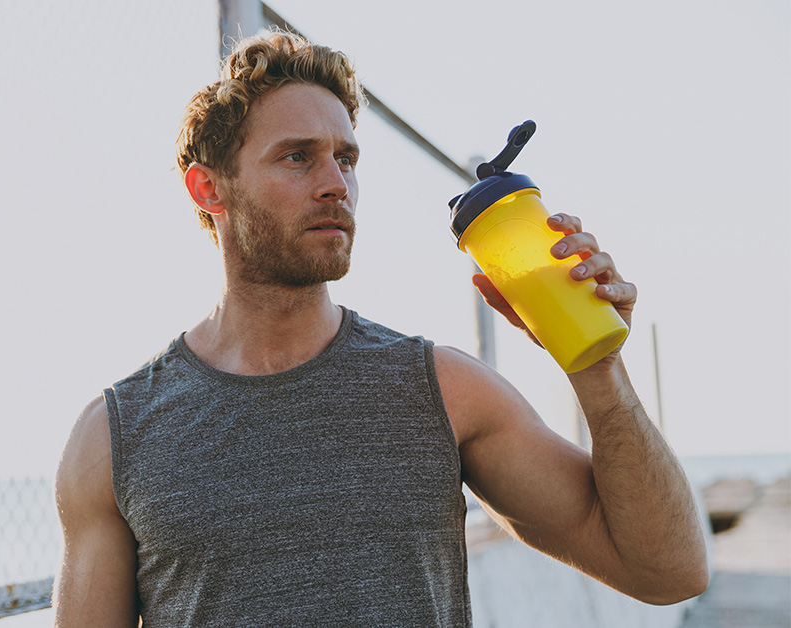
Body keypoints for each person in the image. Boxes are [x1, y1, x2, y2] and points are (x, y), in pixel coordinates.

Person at [52, 31, 708, 627]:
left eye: (346, 158)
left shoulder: (443, 391)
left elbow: (669, 572)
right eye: (297, 158)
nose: (336, 183)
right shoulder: (114, 438)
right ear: (208, 189)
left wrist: (597, 370)